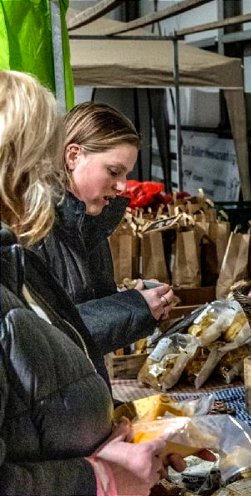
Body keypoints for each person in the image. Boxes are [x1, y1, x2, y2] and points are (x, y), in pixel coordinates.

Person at [0, 70, 191, 496]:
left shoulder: (74, 232)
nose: (46, 179)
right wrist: (101, 476)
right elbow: (55, 340)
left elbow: (41, 382)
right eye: (39, 159)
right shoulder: (32, 239)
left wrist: (111, 441)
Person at [31, 102, 174, 384]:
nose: (123, 186)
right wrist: (132, 306)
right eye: (113, 171)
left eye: (125, 174)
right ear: (73, 155)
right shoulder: (34, 229)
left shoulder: (89, 224)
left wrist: (130, 298)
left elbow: (80, 312)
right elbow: (45, 336)